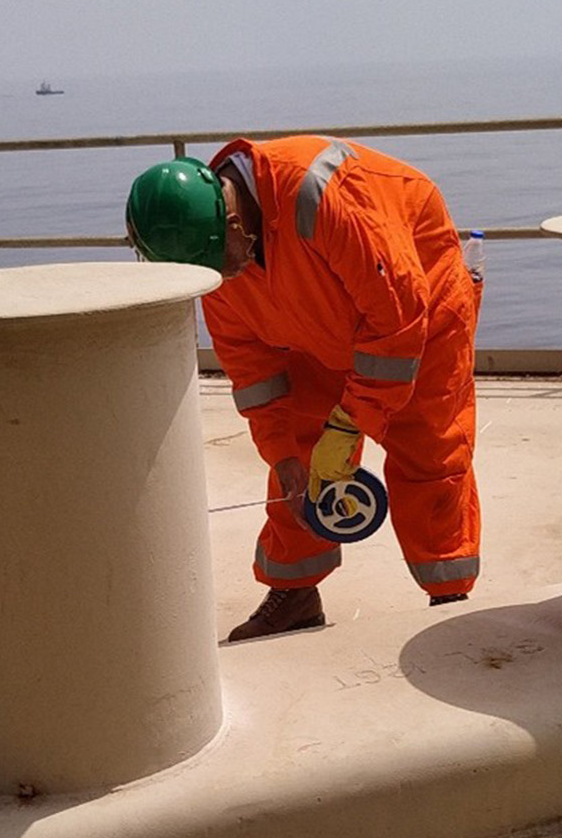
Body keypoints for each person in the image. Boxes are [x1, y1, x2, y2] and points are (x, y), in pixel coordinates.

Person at [126, 137, 481, 641]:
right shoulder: (212, 259)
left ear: (233, 221)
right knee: (297, 458)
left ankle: (449, 597)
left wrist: (351, 421)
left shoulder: (322, 196)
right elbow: (253, 371)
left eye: (223, 261)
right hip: (313, 324)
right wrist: (282, 454)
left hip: (418, 307)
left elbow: (396, 321)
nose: (224, 277)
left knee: (429, 448)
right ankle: (295, 595)